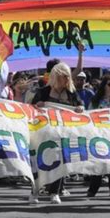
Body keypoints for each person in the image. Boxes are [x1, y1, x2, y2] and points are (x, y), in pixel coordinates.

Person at [31, 63, 84, 204]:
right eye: (62, 76)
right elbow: (31, 109)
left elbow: (80, 106)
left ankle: (55, 192)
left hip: (63, 134)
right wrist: (38, 105)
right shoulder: (43, 92)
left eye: (67, 76)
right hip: (44, 133)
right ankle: (35, 191)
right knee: (39, 163)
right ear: (55, 76)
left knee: (60, 162)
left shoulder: (72, 94)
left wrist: (79, 108)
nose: (65, 79)